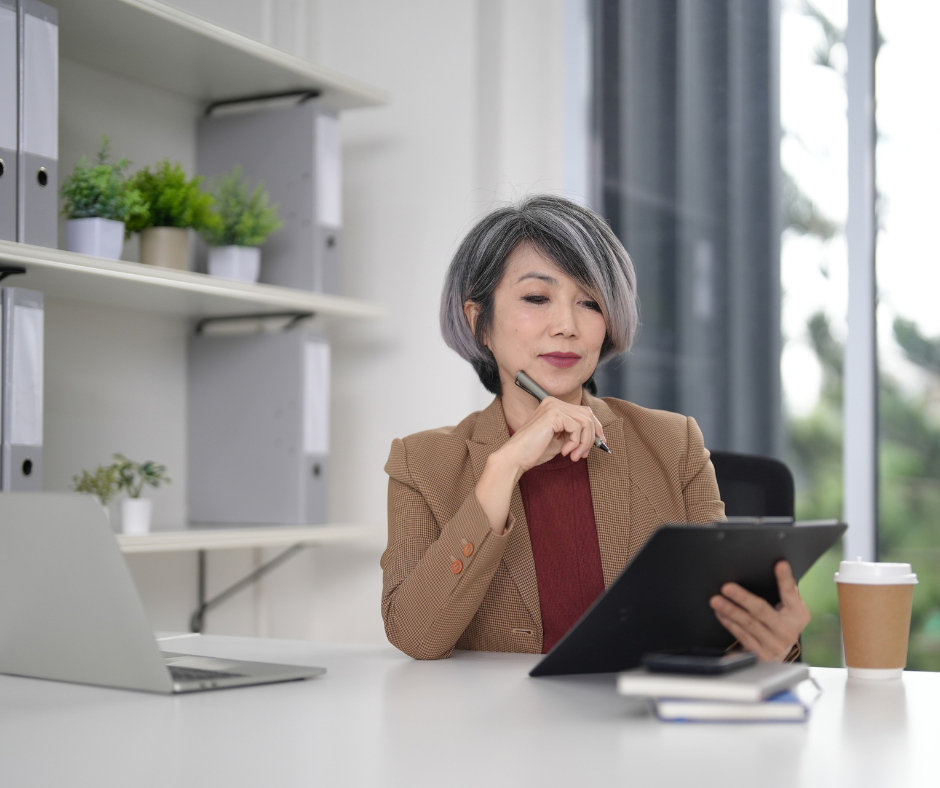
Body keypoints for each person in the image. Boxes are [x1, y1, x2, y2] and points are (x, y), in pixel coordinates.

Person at [381, 195, 809, 662]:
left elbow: (724, 625)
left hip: (636, 725)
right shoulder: (421, 463)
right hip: (497, 730)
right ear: (478, 320)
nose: (566, 325)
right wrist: (503, 469)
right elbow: (416, 635)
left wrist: (774, 640)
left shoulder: (673, 445)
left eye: (589, 302)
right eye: (536, 298)